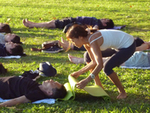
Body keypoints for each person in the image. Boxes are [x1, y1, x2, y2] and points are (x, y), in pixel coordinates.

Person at [66, 24, 136, 99]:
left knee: (107, 68)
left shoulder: (93, 41)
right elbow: (94, 62)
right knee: (87, 56)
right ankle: (99, 86)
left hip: (128, 46)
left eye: (73, 41)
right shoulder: (86, 42)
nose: (73, 44)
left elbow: (100, 65)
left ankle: (122, 92)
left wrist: (87, 80)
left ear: (80, 37)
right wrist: (79, 72)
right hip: (118, 46)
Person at [0, 76, 67, 107]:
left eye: (53, 83)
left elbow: (17, 100)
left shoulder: (37, 94)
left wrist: (1, 105)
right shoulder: (39, 86)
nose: (51, 80)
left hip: (3, 87)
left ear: (49, 92)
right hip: (4, 80)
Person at [68, 51, 150, 68]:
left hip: (143, 58)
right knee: (113, 59)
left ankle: (82, 61)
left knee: (113, 61)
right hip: (143, 56)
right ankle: (83, 60)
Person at [23, 17, 114, 29]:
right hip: (71, 19)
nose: (103, 18)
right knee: (51, 22)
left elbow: (95, 30)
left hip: (72, 22)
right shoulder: (97, 21)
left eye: (105, 20)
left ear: (105, 24)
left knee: (50, 23)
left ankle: (31, 25)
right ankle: (32, 24)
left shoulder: (97, 24)